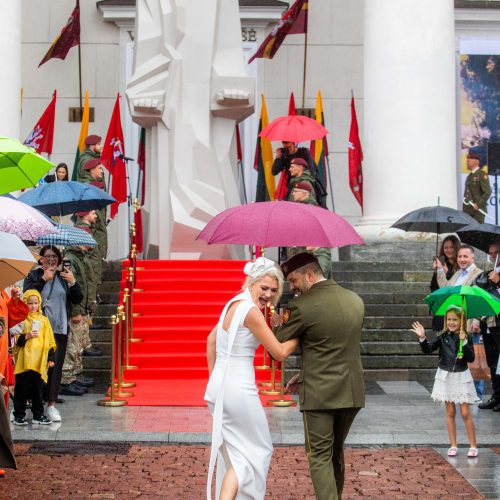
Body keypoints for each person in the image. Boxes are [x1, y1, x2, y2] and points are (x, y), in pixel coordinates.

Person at [204, 257, 298, 500]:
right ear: (252, 282)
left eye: (274, 290)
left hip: (219, 386)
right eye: (264, 288)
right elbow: (278, 352)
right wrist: (301, 333)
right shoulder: (251, 311)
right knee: (257, 450)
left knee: (237, 455)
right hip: (238, 389)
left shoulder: (233, 302)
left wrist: (215, 379)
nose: (268, 294)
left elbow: (211, 341)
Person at [275, 252, 365, 500]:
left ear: (310, 274)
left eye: (293, 280)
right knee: (335, 452)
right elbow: (330, 345)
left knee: (319, 455)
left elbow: (279, 340)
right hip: (352, 390)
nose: (292, 287)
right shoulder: (355, 300)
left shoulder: (300, 306)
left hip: (319, 393)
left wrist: (278, 317)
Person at [23, 245, 84, 414]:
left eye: (54, 257)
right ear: (41, 259)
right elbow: (27, 295)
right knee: (35, 366)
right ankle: (33, 402)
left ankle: (51, 404)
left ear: (59, 260)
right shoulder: (34, 274)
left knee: (55, 368)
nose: (51, 260)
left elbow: (78, 298)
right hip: (38, 330)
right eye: (47, 256)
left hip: (59, 329)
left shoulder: (63, 277)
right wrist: (43, 279)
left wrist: (72, 281)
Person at [410, 306, 478, 457]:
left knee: (465, 412)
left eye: (455, 319)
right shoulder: (442, 336)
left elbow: (471, 358)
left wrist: (465, 342)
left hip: (461, 375)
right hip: (446, 375)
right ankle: (453, 445)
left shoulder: (467, 336)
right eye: (449, 319)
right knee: (450, 411)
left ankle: (473, 445)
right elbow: (428, 349)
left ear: (462, 320)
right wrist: (422, 337)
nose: (452, 322)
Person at [12, 290, 56, 426]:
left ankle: (38, 414)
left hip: (39, 361)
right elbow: (15, 340)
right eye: (29, 303)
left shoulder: (44, 320)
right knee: (21, 389)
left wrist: (51, 357)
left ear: (39, 303)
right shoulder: (21, 320)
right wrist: (27, 336)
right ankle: (19, 414)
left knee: (38, 389)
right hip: (24, 361)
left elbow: (50, 340)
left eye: (35, 303)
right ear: (25, 303)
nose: (33, 306)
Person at [60, 244, 99, 395]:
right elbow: (71, 287)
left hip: (81, 306)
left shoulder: (80, 257)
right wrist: (76, 311)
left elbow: (84, 283)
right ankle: (67, 380)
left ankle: (74, 376)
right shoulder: (70, 259)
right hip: (76, 308)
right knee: (72, 347)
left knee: (77, 346)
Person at [288, 182, 332, 279]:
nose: (293, 194)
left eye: (296, 191)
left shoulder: (311, 210)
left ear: (305, 193)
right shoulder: (301, 209)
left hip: (311, 251)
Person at [475, 242, 500, 412]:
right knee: (492, 361)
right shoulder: (491, 272)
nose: (492, 256)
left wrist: (498, 284)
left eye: (496, 252)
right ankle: (496, 396)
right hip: (489, 323)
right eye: (490, 253)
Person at [80, 159, 108, 283]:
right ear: (91, 170)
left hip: (97, 243)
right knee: (91, 277)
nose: (102, 171)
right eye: (99, 168)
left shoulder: (94, 190)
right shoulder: (88, 190)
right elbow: (94, 225)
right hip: (94, 243)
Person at [430, 235, 461, 331]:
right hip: (443, 307)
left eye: (451, 247)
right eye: (445, 247)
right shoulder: (440, 266)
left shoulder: (462, 264)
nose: (449, 250)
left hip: (458, 308)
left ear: (456, 248)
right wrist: (440, 272)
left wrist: (448, 274)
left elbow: (459, 286)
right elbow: (434, 288)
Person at [462, 151, 491, 223]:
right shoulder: (470, 176)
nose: (466, 163)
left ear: (475, 162)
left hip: (477, 211)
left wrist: (478, 204)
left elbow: (487, 192)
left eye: (468, 161)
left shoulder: (481, 174)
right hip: (468, 211)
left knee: (477, 232)